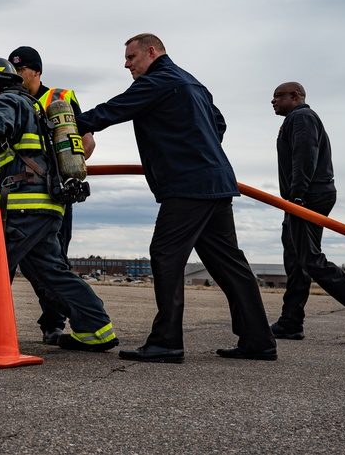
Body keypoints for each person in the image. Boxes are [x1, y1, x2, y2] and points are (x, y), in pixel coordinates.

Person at [75, 34, 276, 364]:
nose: (127, 64)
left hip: (188, 187)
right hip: (215, 182)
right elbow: (219, 123)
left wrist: (64, 123)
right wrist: (196, 145)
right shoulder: (192, 83)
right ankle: (258, 340)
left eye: (131, 57)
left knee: (165, 255)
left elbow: (111, 111)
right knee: (229, 265)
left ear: (151, 52)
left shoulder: (158, 80)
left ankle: (167, 341)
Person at [0, 58, 118, 354]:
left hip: (20, 206)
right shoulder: (31, 107)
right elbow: (8, 156)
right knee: (51, 273)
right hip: (45, 206)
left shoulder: (7, 101)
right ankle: (96, 329)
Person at [269, 82, 345, 341]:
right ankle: (291, 322)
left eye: (278, 96)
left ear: (294, 97)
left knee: (308, 259)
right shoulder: (298, 118)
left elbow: (305, 156)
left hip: (307, 196)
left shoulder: (302, 117)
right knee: (295, 259)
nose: (272, 101)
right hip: (306, 195)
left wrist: (297, 196)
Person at [9, 46, 97, 345]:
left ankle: (53, 324)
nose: (16, 76)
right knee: (10, 260)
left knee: (54, 261)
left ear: (37, 71)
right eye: (12, 71)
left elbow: (86, 142)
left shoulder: (58, 98)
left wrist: (61, 175)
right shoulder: (8, 100)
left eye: (21, 70)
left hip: (54, 193)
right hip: (15, 193)